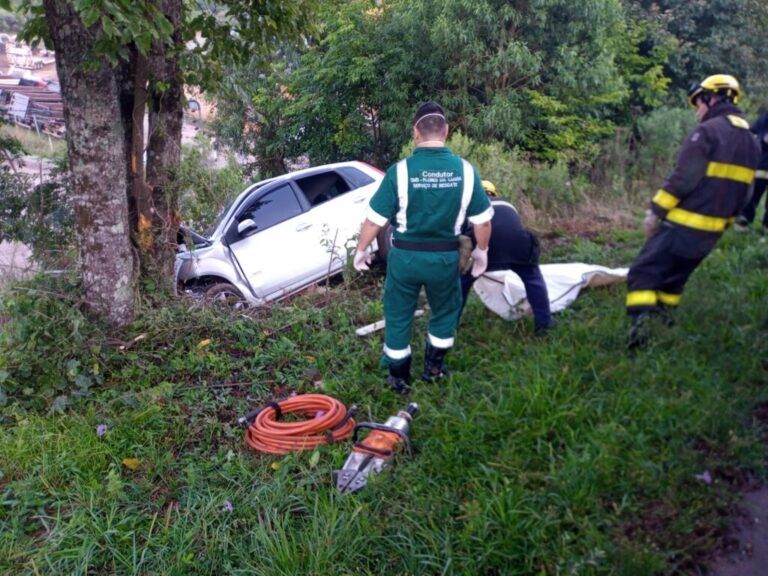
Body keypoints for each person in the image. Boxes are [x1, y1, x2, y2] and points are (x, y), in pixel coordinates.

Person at [353, 101, 494, 394]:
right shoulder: (467, 172)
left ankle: (398, 378)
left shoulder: (399, 171)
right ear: (447, 131)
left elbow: (374, 220)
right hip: (445, 259)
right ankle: (433, 369)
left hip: (404, 259)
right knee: (445, 310)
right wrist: (481, 251)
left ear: (415, 133)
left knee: (398, 313)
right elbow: (482, 222)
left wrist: (361, 250)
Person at [626, 74, 760, 348]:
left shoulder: (708, 131)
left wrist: (655, 212)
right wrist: (725, 222)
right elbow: (747, 192)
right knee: (673, 281)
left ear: (712, 98)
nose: (697, 110)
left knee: (642, 272)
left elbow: (684, 178)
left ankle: (641, 334)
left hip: (681, 225)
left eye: (698, 102)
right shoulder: (751, 140)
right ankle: (663, 324)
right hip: (711, 233)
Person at [459, 180, 553, 335]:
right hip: (517, 245)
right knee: (533, 279)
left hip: (483, 245)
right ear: (494, 192)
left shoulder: (470, 206)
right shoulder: (507, 203)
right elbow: (514, 225)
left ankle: (448, 326)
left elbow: (463, 233)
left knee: (461, 283)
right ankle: (544, 323)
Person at [735, 111, 768, 232]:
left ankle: (765, 227)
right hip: (762, 163)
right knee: (753, 193)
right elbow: (753, 132)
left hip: (762, 163)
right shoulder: (766, 116)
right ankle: (743, 220)